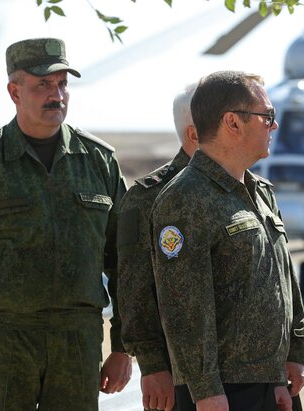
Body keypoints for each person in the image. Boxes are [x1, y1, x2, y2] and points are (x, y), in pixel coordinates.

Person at [0, 37, 132, 410]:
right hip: (5, 342)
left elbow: (126, 263)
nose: (57, 95)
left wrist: (123, 346)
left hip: (78, 341)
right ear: (14, 91)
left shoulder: (98, 161)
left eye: (62, 83)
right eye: (43, 84)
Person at [151, 70, 304, 411]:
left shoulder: (259, 192)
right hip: (224, 391)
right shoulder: (185, 198)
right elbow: (184, 309)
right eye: (267, 116)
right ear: (233, 122)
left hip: (269, 383)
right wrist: (207, 391)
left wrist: (291, 357)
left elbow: (282, 279)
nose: (274, 126)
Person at [117, 83, 199, 411]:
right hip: (180, 376)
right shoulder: (148, 196)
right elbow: (134, 289)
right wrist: (152, 365)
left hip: (252, 371)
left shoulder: (251, 188)